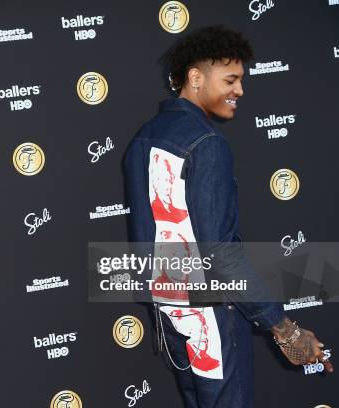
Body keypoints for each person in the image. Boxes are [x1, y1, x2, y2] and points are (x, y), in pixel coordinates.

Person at [122, 25, 333, 408]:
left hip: (169, 309)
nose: (240, 91)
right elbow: (219, 253)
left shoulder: (144, 138)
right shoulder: (208, 144)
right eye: (231, 80)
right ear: (196, 78)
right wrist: (283, 329)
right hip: (211, 312)